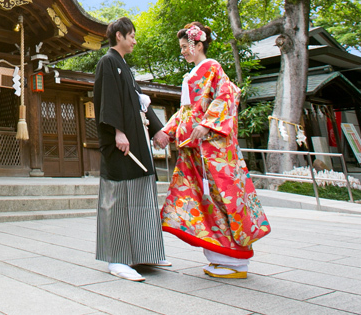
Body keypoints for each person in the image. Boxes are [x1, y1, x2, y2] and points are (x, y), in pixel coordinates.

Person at [153, 21, 270, 279]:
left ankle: (236, 261)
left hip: (214, 153)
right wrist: (167, 131)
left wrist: (206, 125)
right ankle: (219, 257)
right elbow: (185, 113)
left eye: (185, 46)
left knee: (221, 199)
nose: (182, 51)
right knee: (203, 202)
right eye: (182, 47)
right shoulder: (192, 75)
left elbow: (227, 96)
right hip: (196, 152)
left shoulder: (212, 68)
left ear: (198, 44)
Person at [94, 17, 171, 281]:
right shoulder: (108, 62)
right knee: (117, 198)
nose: (135, 41)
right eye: (132, 36)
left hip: (135, 140)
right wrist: (117, 131)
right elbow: (108, 101)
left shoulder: (125, 67)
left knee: (140, 193)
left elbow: (140, 101)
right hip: (120, 143)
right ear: (119, 36)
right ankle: (117, 258)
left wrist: (158, 129)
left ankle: (144, 251)